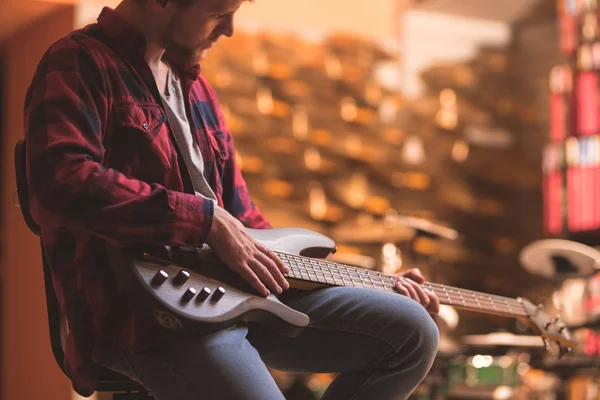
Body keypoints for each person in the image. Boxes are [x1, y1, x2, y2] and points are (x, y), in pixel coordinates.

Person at [24, 0, 440, 398]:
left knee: (412, 331)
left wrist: (377, 283)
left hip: (238, 299)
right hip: (144, 318)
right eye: (219, 13)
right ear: (159, 1)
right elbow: (60, 181)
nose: (229, 29)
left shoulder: (197, 85)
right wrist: (204, 220)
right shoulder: (78, 60)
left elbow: (248, 226)